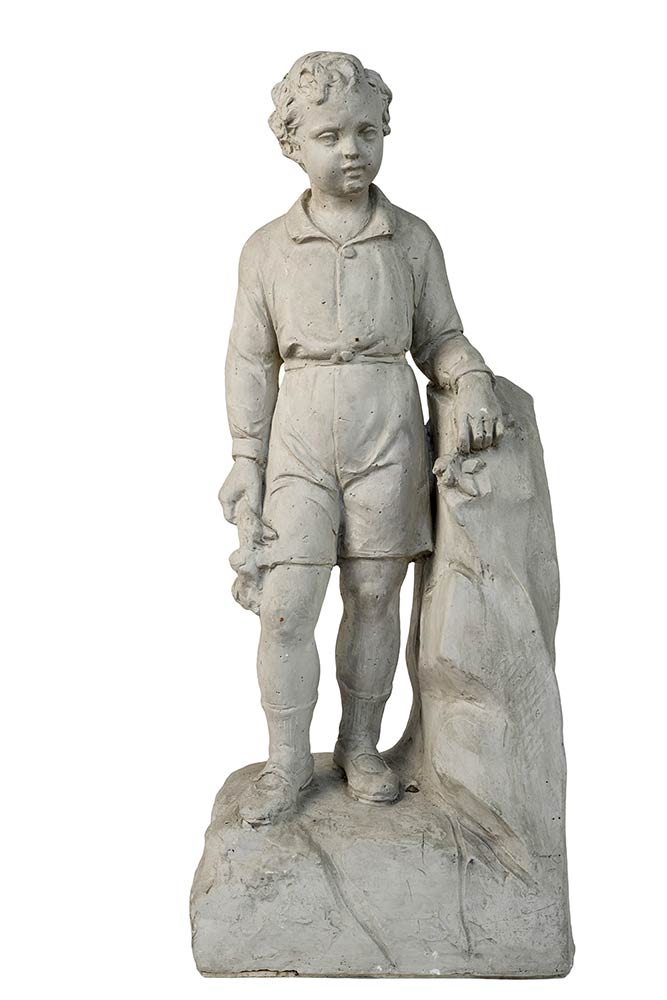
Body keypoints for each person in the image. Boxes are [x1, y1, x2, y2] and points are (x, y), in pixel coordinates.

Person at [219, 51, 504, 825]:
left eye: (366, 132)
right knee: (285, 606)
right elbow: (250, 359)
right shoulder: (266, 250)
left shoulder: (410, 240)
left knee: (375, 595)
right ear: (291, 143)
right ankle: (286, 759)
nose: (352, 150)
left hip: (387, 439)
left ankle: (359, 744)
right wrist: (244, 457)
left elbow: (440, 336)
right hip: (300, 447)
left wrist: (470, 377)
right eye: (330, 135)